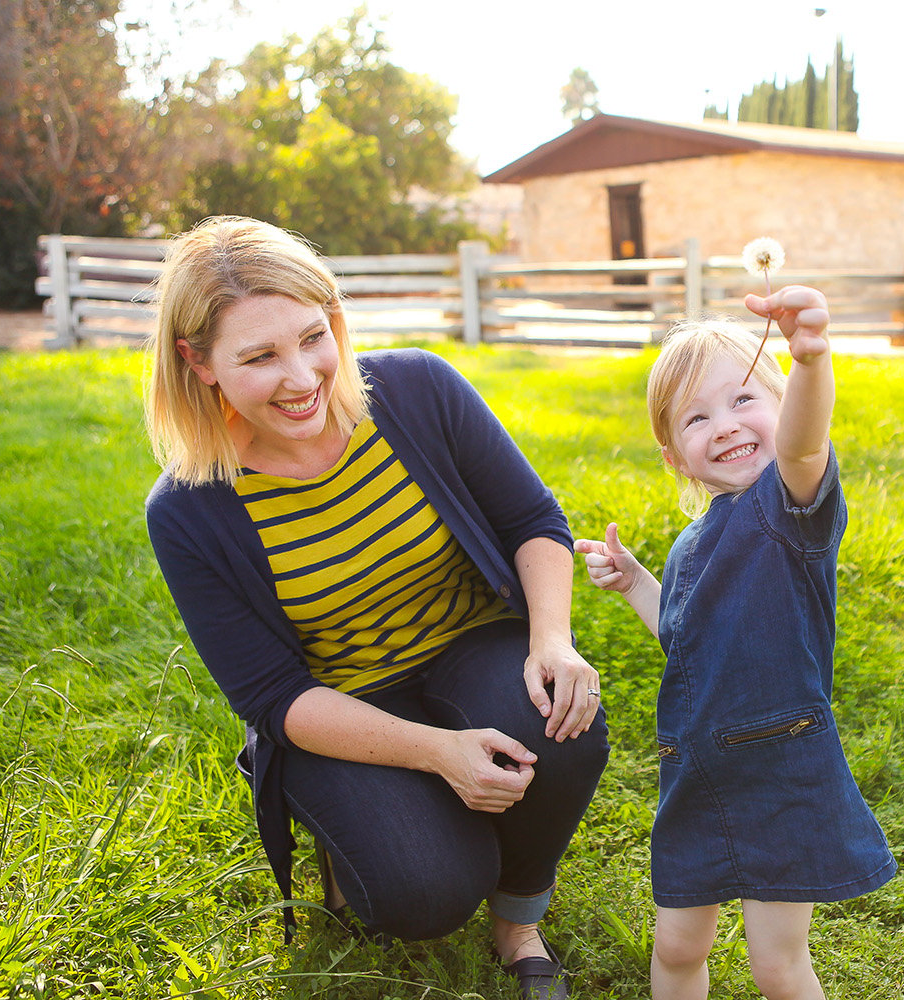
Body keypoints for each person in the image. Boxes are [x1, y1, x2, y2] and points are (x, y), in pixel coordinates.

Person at [143, 216, 607, 1000]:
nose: (302, 378)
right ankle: (376, 826)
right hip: (340, 700)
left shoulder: (418, 389)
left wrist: (552, 640)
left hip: (467, 642)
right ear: (198, 363)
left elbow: (533, 522)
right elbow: (271, 697)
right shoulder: (188, 509)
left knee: (562, 724)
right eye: (259, 357)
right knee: (422, 893)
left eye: (312, 336)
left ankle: (518, 916)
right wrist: (435, 753)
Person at [575, 287, 896, 1000]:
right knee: (678, 945)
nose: (724, 425)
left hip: (780, 768)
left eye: (746, 399)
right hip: (695, 774)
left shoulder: (789, 509)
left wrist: (810, 360)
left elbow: (808, 441)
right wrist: (634, 583)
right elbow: (688, 642)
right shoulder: (693, 542)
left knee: (776, 965)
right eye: (697, 417)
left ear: (782, 409)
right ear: (674, 455)